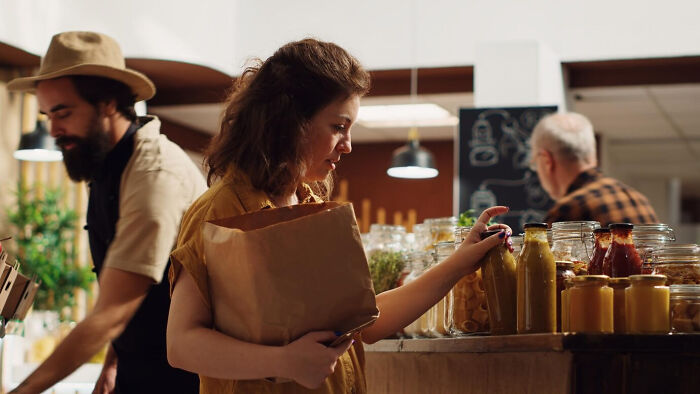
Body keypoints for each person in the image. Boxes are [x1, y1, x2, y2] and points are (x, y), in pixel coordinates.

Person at [166, 38, 512, 393]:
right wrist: (282, 361)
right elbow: (181, 344)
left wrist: (460, 263)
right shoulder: (219, 211)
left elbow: (366, 324)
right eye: (337, 127)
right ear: (290, 122)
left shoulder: (312, 206)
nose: (347, 144)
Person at [7, 31, 203, 394]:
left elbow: (114, 310)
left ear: (108, 104)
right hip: (137, 371)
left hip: (185, 380)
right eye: (47, 115)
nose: (53, 130)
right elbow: (133, 289)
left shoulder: (153, 175)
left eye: (63, 112)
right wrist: (112, 363)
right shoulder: (108, 167)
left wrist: (22, 392)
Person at [529, 112, 658, 227]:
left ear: (547, 161)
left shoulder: (568, 211)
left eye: (535, 164)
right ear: (592, 153)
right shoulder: (639, 199)